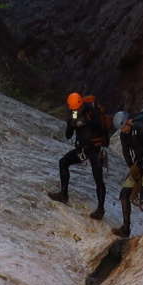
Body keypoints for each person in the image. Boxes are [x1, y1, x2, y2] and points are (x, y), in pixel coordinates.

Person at [48, 91, 112, 220]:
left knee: (98, 179)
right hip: (87, 149)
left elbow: (97, 128)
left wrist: (81, 122)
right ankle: (64, 195)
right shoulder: (78, 112)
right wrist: (72, 123)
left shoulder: (90, 112)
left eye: (74, 107)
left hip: (93, 150)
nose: (73, 109)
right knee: (64, 162)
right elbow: (69, 134)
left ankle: (100, 209)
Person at [114, 109, 143, 239]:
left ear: (128, 122)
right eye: (121, 129)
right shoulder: (124, 135)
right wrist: (132, 167)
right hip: (139, 164)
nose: (123, 130)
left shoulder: (140, 128)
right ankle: (126, 228)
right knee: (124, 194)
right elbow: (126, 152)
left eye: (123, 127)